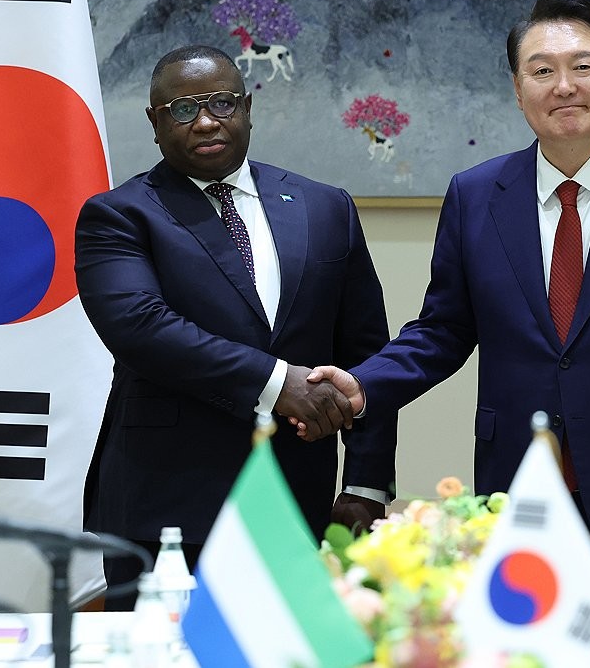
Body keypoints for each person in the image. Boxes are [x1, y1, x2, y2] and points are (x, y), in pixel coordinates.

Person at [306, 0, 590, 604]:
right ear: (518, 89)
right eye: (542, 71)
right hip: (517, 485)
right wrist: (364, 385)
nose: (564, 86)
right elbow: (442, 329)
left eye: (583, 66)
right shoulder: (475, 195)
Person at [76, 45, 394, 608]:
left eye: (221, 103)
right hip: (166, 514)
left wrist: (365, 484)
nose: (204, 121)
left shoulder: (325, 208)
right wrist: (277, 383)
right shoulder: (119, 214)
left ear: (247, 107)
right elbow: (141, 327)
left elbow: (365, 356)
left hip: (300, 504)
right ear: (155, 123)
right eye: (181, 109)